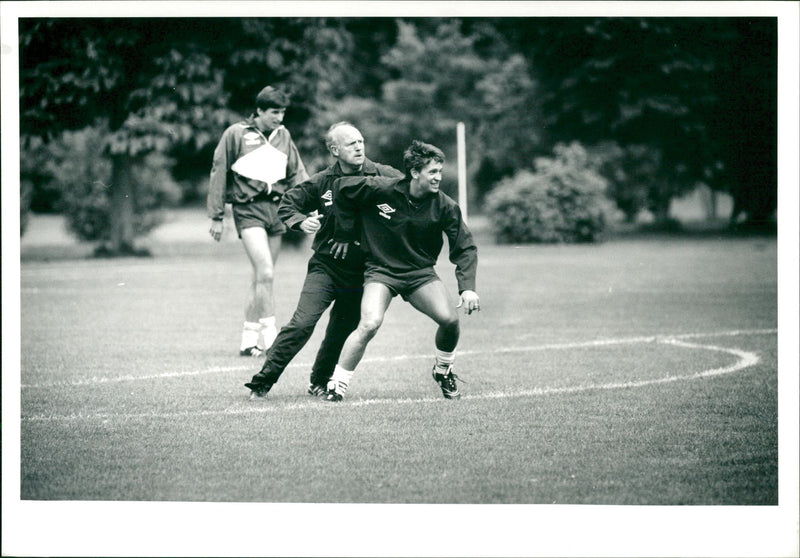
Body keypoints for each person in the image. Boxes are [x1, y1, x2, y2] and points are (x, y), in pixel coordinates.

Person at [244, 122, 404, 398]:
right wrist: (299, 221)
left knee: (340, 330)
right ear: (334, 150)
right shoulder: (321, 182)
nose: (358, 146)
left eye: (360, 141)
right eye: (351, 143)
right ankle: (262, 381)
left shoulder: (385, 175)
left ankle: (319, 381)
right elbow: (287, 204)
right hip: (326, 266)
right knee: (302, 324)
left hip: (363, 271)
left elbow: (413, 198)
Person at [324, 140, 480, 402]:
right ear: (415, 172)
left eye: (440, 171)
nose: (438, 177)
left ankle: (443, 370)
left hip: (420, 274)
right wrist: (343, 232)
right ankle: (337, 385)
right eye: (432, 172)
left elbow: (465, 247)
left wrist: (467, 289)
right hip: (381, 271)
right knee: (369, 324)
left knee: (450, 321)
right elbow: (340, 189)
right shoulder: (382, 189)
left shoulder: (445, 205)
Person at [207, 85, 309, 357]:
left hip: (277, 210)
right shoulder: (236, 134)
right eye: (274, 112)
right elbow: (219, 172)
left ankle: (247, 340)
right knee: (265, 273)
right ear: (259, 110)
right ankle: (271, 337)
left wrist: (310, 205)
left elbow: (297, 173)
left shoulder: (283, 135)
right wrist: (217, 216)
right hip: (247, 210)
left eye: (283, 112)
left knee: (261, 277)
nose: (280, 118)